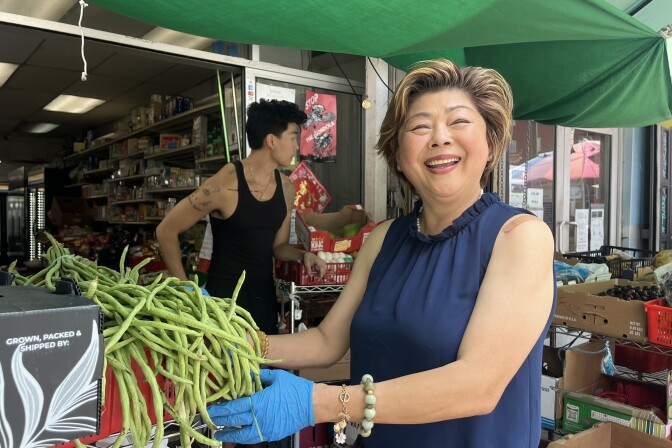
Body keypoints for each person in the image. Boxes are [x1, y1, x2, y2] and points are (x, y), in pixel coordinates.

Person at [206, 59, 556, 448]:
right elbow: (327, 341)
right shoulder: (385, 238)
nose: (439, 138)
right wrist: (229, 341)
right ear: (399, 154)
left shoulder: (519, 238)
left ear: (490, 142)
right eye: (420, 127)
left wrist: (322, 403)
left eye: (459, 122)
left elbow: (478, 384)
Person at [156, 98, 326, 339]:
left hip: (264, 306)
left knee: (260, 374)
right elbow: (166, 231)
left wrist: (303, 255)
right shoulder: (227, 181)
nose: (297, 146)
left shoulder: (286, 188)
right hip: (223, 309)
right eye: (292, 137)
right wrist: (186, 290)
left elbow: (278, 247)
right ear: (271, 140)